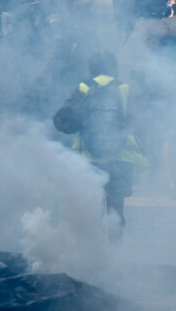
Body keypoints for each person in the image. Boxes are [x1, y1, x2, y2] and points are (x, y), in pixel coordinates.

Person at [53, 51, 147, 238]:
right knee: (115, 207)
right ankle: (114, 253)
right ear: (114, 68)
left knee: (93, 205)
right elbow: (138, 120)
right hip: (122, 157)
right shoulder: (125, 88)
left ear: (91, 69)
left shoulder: (83, 88)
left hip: (88, 156)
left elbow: (66, 118)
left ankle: (95, 251)